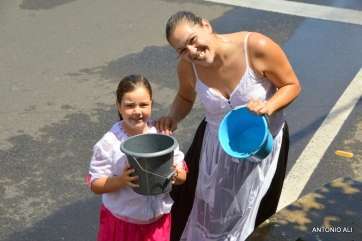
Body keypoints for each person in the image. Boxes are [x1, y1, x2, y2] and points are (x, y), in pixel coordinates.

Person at [156, 11, 301, 241]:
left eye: (193, 40)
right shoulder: (187, 66)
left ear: (206, 25)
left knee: (252, 215)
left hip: (262, 147)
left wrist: (269, 106)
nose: (192, 52)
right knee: (201, 211)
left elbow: (291, 85)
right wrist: (173, 117)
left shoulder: (256, 47)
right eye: (182, 50)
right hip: (214, 150)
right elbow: (185, 97)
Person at [87, 74, 188, 241]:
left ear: (151, 104)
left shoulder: (161, 135)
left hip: (157, 223)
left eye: (143, 105)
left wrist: (174, 173)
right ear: (118, 106)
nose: (137, 111)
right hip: (122, 224)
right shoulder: (109, 143)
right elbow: (95, 184)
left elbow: (182, 176)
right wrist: (121, 180)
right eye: (129, 105)